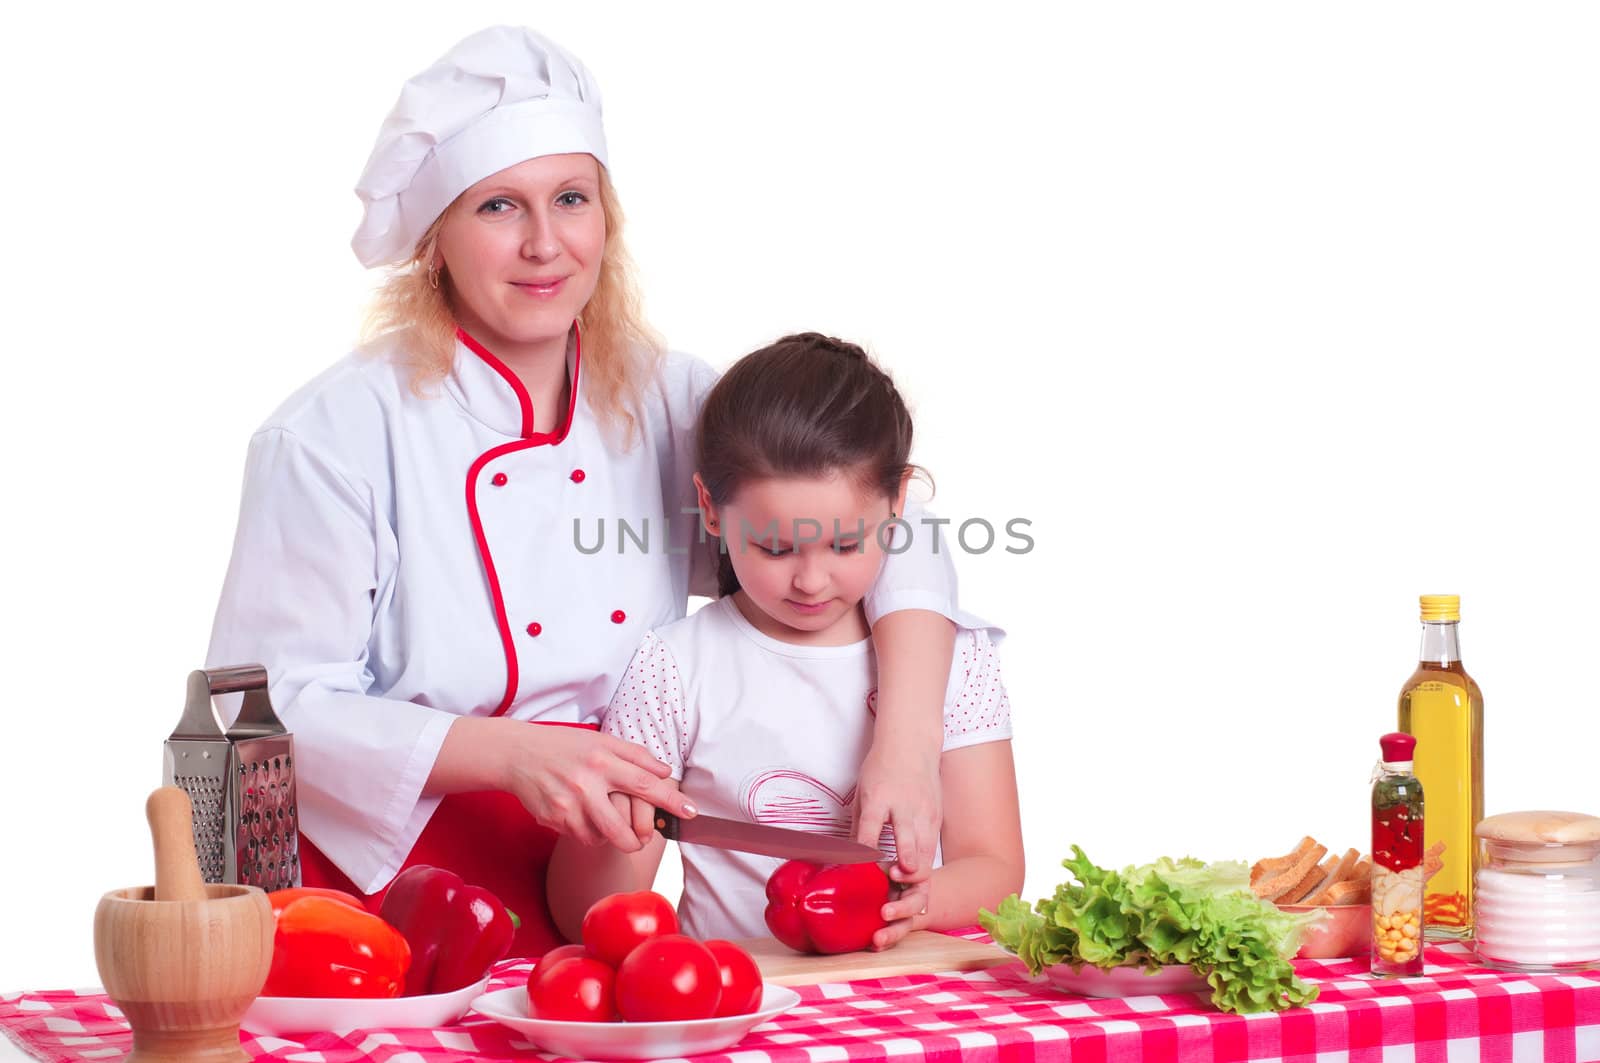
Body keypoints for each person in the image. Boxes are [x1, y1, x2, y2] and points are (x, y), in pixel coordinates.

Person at [206, 27, 977, 956]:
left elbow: (887, 519)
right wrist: (510, 752)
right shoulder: (332, 436)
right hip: (381, 886)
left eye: (571, 199)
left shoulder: (669, 395)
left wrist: (905, 740)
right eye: (498, 206)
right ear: (434, 242)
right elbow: (258, 711)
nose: (544, 244)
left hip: (606, 868)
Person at [548, 334, 1024, 948]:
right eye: (774, 548)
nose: (810, 580)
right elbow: (589, 911)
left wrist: (918, 905)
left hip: (898, 988)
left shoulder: (953, 661)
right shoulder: (675, 665)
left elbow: (995, 866)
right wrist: (613, 830)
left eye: (847, 545)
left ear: (900, 500)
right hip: (739, 993)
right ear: (710, 510)